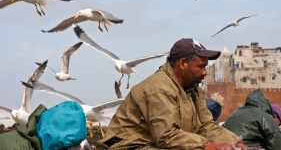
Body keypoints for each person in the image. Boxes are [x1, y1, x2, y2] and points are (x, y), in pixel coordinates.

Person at [97, 38, 247, 150]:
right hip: (129, 146)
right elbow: (166, 136)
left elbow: (206, 126)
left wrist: (238, 144)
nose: (205, 72)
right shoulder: (159, 89)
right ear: (183, 64)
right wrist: (208, 146)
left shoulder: (193, 90)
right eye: (201, 66)